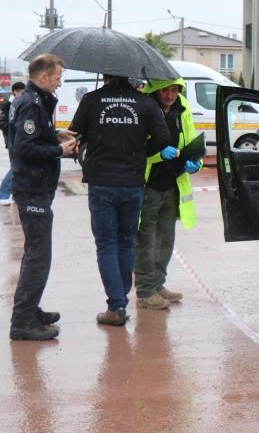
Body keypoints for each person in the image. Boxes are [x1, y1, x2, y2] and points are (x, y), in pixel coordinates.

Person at [69, 74, 171, 327]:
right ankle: (121, 299)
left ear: (105, 74)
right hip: (132, 182)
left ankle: (116, 306)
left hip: (101, 181)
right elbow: (162, 139)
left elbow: (74, 134)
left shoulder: (92, 100)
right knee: (126, 243)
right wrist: (139, 152)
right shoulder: (145, 103)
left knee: (106, 244)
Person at [8, 54, 79, 341]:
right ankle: (22, 322)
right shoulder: (30, 103)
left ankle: (29, 310)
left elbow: (34, 137)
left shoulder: (34, 102)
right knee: (39, 257)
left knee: (35, 255)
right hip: (32, 188)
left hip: (36, 187)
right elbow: (24, 148)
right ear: (44, 77)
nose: (60, 81)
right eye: (58, 76)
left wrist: (54, 134)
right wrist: (58, 151)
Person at [134, 78, 201, 310]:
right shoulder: (145, 109)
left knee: (165, 239)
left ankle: (158, 284)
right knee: (146, 239)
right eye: (165, 90)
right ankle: (145, 291)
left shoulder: (181, 108)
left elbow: (190, 138)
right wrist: (158, 155)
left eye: (174, 90)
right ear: (155, 90)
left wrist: (196, 161)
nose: (170, 95)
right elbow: (136, 150)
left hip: (173, 183)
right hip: (149, 184)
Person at [0, 81, 27, 205]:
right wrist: (13, 128)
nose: (23, 93)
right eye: (21, 91)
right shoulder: (7, 106)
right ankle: (3, 194)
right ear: (15, 91)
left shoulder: (20, 104)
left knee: (19, 168)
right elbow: (3, 123)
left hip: (18, 141)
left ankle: (16, 195)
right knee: (16, 167)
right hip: (13, 141)